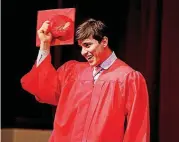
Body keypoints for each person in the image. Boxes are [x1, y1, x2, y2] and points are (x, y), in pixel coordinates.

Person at [20, 18, 150, 142]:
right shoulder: (72, 72)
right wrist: (45, 44)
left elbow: (137, 130)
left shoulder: (128, 78)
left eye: (87, 45)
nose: (83, 52)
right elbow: (43, 88)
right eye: (81, 46)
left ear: (104, 42)